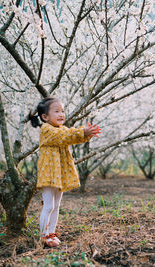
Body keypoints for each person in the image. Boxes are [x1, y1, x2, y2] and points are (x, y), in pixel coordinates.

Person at [29, 97, 101, 247]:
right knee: (48, 206)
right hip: (49, 172)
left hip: (59, 173)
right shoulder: (46, 129)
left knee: (56, 206)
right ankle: (43, 235)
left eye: (62, 111)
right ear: (45, 117)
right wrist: (83, 131)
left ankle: (51, 232)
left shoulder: (62, 129)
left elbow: (72, 136)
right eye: (56, 111)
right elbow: (65, 137)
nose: (61, 114)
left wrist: (87, 134)